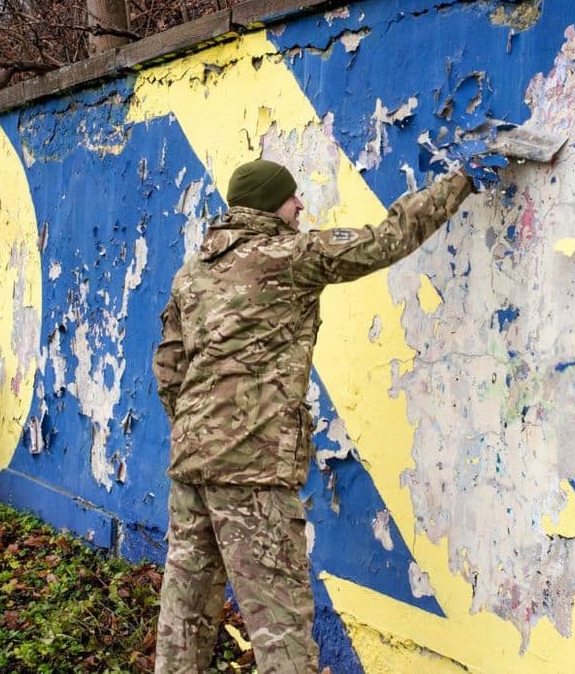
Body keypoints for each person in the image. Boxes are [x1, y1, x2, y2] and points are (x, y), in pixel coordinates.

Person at [152, 158, 479, 673]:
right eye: (291, 197)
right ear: (268, 204)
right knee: (280, 628)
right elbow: (385, 240)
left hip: (191, 469)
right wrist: (462, 180)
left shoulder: (193, 272)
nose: (300, 204)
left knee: (183, 618)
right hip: (253, 473)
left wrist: (199, 432)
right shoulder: (288, 256)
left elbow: (169, 367)